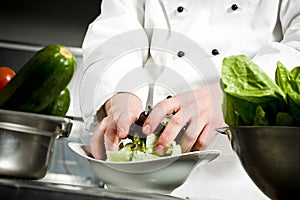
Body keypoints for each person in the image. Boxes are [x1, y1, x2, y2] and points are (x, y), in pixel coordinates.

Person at [77, 0, 300, 161]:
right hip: (143, 164)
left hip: (249, 166)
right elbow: (117, 28)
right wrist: (120, 95)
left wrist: (229, 96)